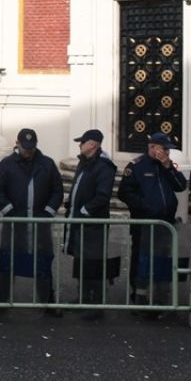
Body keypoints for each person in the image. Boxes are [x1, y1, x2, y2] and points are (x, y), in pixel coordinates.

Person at [0, 128, 64, 316]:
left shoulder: (47, 164)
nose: (28, 152)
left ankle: (47, 303)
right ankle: (0, 301)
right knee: (8, 262)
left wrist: (48, 212)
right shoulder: (7, 164)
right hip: (15, 223)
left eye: (31, 148)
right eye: (25, 148)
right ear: (18, 144)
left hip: (40, 222)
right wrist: (9, 211)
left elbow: (57, 190)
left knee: (43, 262)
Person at [117, 132, 188, 317]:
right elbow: (124, 193)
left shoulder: (167, 166)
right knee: (141, 259)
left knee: (162, 260)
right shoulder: (137, 166)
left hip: (165, 224)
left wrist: (167, 166)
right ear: (152, 147)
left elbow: (180, 185)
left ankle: (160, 298)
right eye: (163, 149)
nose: (166, 152)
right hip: (144, 222)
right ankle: (138, 296)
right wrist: (145, 206)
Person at [63, 129, 117, 320]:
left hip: (92, 224)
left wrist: (85, 211)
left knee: (93, 263)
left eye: (83, 142)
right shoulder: (85, 162)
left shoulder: (104, 166)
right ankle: (83, 298)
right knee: (81, 260)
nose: (80, 145)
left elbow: (102, 195)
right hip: (79, 221)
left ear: (92, 144)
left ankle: (96, 304)